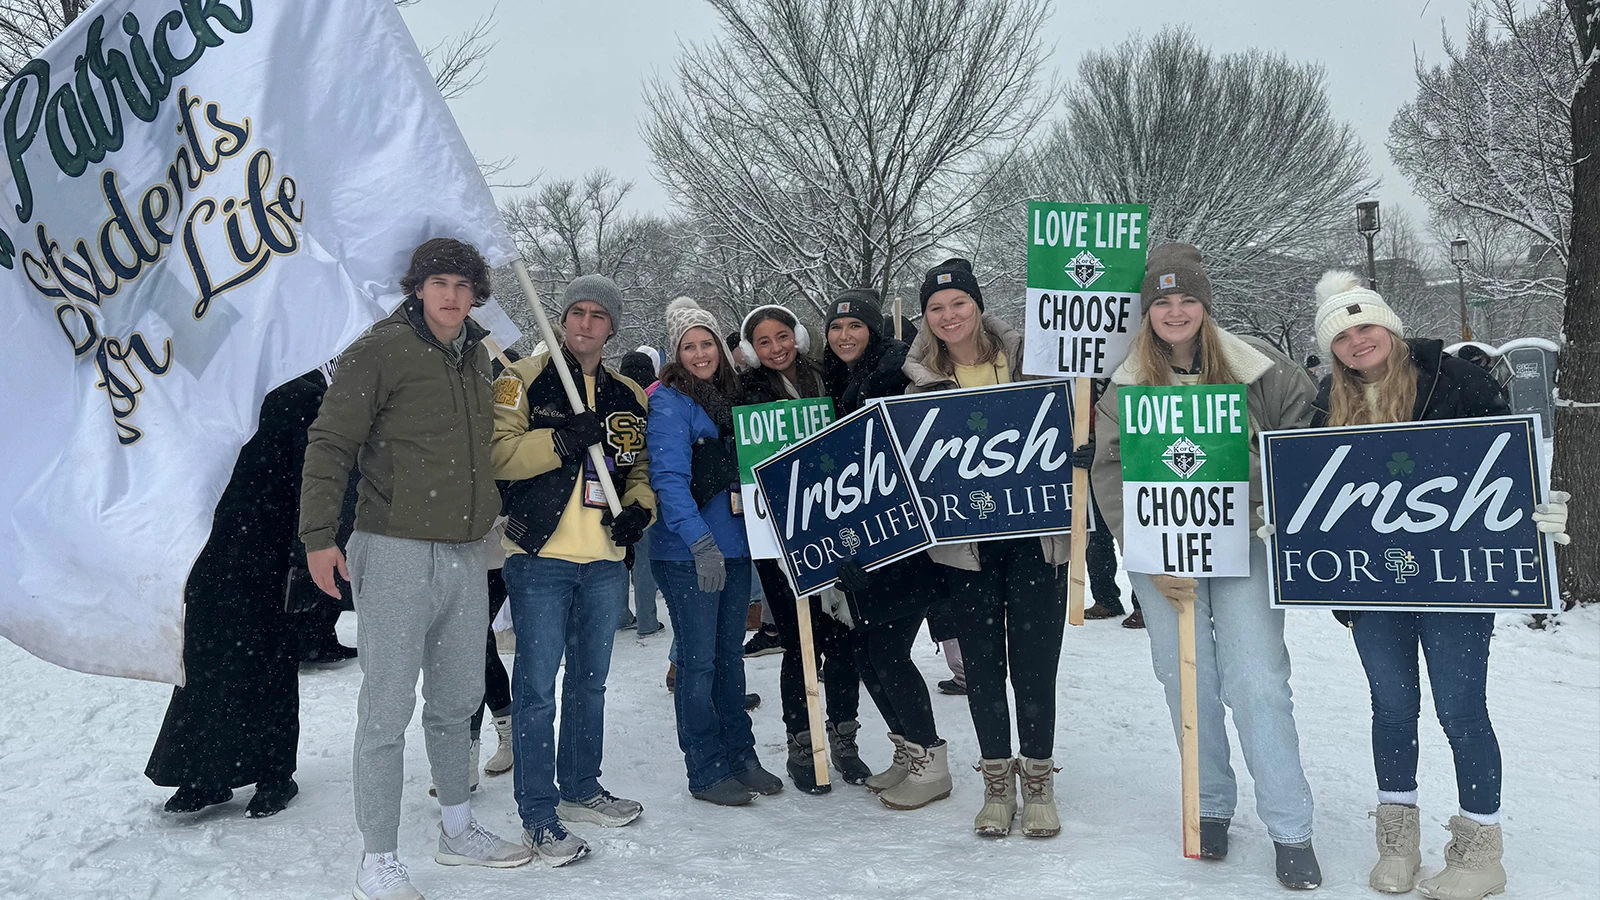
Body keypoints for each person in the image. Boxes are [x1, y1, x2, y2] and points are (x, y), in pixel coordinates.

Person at [1299, 272, 1569, 900]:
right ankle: (1397, 844)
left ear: (1389, 328)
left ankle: (1481, 850)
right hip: (1373, 587)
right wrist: (1289, 525)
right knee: (1391, 708)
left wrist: (1533, 510)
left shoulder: (1456, 381)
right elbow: (1316, 488)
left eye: (1366, 325)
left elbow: (1505, 463)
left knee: (1460, 709)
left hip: (1456, 584)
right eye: (1341, 333)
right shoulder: (1325, 403)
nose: (1356, 340)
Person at [300, 239, 531, 900]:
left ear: (476, 292)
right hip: (394, 545)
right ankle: (377, 860)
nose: (452, 295)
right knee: (387, 708)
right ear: (418, 287)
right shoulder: (379, 349)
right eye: (439, 283)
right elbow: (331, 441)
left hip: (465, 552)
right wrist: (319, 536)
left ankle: (457, 827)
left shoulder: (480, 359)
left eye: (463, 284)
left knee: (458, 700)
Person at [1092, 243, 1321, 888]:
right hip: (1160, 553)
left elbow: (1301, 442)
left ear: (1204, 302)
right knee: (1186, 679)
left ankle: (1290, 825)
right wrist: (1146, 551)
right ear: (1146, 310)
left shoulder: (1259, 368)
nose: (1175, 310)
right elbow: (1109, 472)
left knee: (1258, 680)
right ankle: (1210, 803)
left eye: (1186, 298)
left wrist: (1262, 503)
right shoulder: (1128, 380)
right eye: (1161, 300)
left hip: (1245, 543)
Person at [902, 258, 1077, 839]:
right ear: (926, 318)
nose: (949, 315)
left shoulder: (1035, 360)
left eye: (958, 303)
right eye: (936, 307)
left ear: (977, 304)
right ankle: (997, 780)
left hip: (1035, 537)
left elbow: (1075, 416)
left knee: (1034, 662)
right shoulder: (918, 384)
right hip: (965, 546)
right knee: (982, 665)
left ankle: (1039, 779)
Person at [490, 274, 655, 866]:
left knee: (590, 683)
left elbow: (637, 470)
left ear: (612, 326)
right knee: (535, 690)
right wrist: (560, 441)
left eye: (597, 315)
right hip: (540, 559)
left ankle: (581, 786)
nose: (585, 323)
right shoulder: (523, 379)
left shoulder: (628, 394)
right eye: (576, 313)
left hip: (605, 564)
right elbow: (499, 456)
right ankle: (538, 812)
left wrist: (641, 511)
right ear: (561, 319)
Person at [146, 372, 324, 818]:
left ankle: (275, 775)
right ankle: (204, 774)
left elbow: (316, 477)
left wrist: (305, 554)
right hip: (209, 545)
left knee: (270, 661)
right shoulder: (205, 385)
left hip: (273, 546)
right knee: (203, 660)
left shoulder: (299, 390)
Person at [646, 296, 786, 806]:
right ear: (675, 352)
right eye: (689, 345)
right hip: (689, 554)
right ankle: (705, 768)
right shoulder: (669, 401)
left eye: (707, 343)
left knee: (729, 660)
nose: (701, 353)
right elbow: (669, 479)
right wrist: (698, 542)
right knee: (698, 663)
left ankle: (741, 755)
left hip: (737, 545)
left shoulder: (731, 396)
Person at [821, 288, 955, 811]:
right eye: (836, 327)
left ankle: (931, 759)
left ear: (874, 331)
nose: (844, 335)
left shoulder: (901, 375)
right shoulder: (830, 383)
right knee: (865, 652)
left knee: (888, 652)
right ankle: (907, 748)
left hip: (907, 543)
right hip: (860, 550)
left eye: (855, 326)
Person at [738, 302, 869, 793]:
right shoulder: (747, 393)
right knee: (799, 642)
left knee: (842, 639)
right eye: (764, 341)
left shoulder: (828, 378)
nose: (776, 348)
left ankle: (844, 736)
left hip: (834, 525)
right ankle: (802, 740)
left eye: (782, 336)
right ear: (753, 348)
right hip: (778, 535)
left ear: (798, 336)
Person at [617, 349, 665, 637]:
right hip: (648, 487)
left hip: (615, 488)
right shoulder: (658, 399)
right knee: (645, 559)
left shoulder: (615, 397)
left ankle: (621, 614)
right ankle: (647, 620)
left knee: (620, 553)